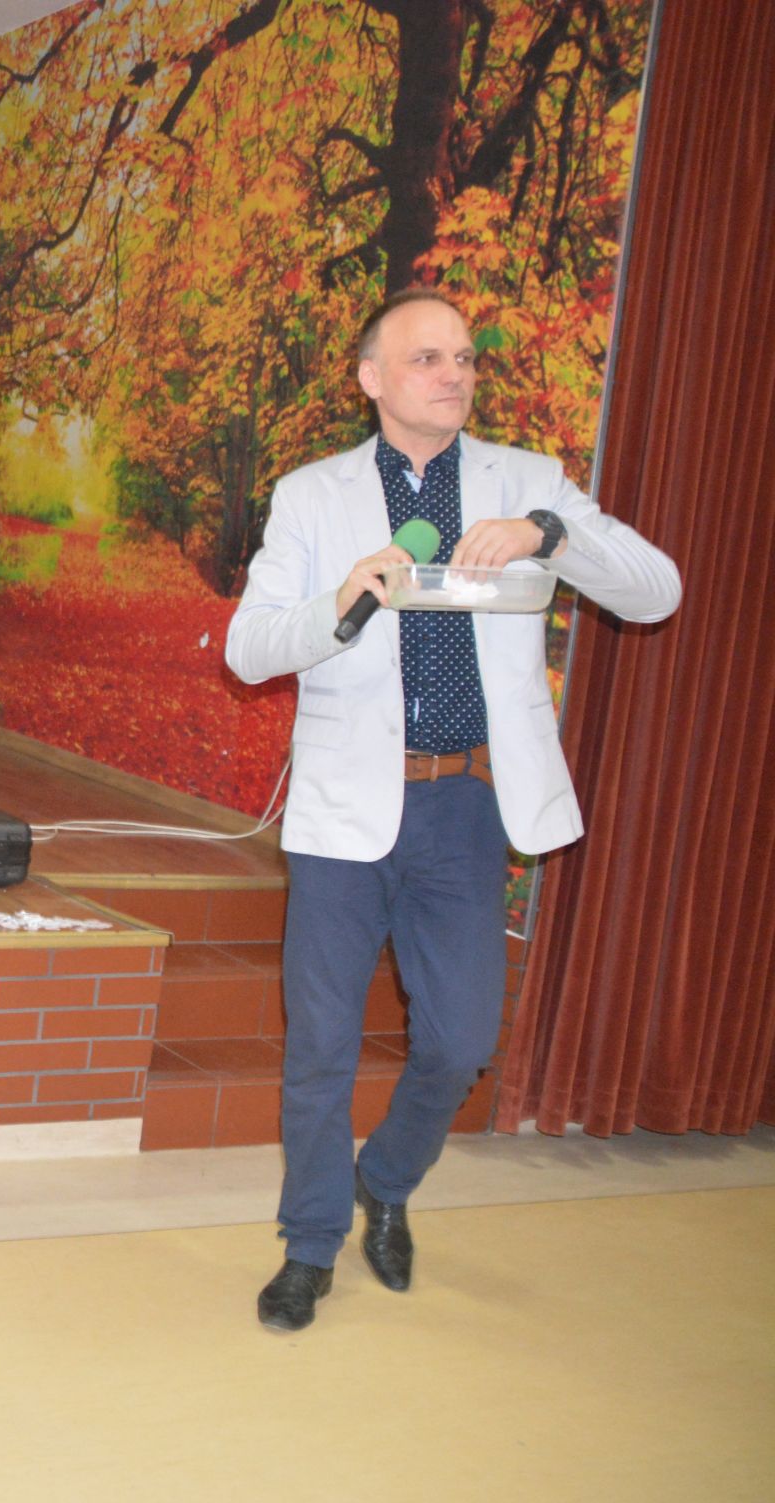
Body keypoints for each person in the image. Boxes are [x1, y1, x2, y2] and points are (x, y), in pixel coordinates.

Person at [225, 287, 680, 1333]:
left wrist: (549, 535)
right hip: (345, 808)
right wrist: (343, 598)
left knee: (461, 1040)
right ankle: (309, 1247)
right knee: (322, 1045)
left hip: (466, 805)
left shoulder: (529, 483)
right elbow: (248, 650)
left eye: (465, 358)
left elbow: (655, 591)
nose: (454, 374)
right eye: (427, 357)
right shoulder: (314, 495)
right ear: (371, 378)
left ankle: (385, 1179)